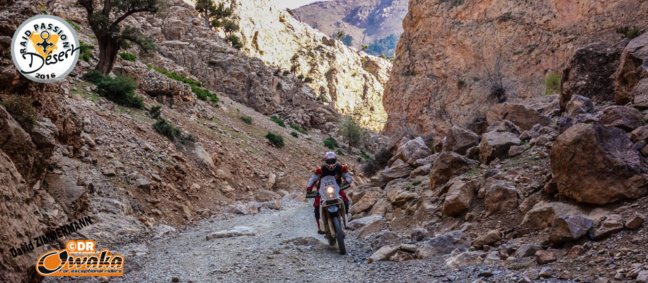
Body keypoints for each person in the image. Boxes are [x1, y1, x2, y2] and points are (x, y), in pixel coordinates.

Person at [306, 152, 351, 234]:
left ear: (336, 160)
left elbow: (347, 176)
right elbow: (312, 179)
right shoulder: (320, 170)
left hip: (337, 187)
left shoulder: (341, 168)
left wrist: (347, 182)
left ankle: (345, 220)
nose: (331, 163)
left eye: (332, 161)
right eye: (329, 161)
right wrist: (309, 189)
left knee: (345, 199)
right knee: (316, 204)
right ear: (325, 161)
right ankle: (319, 227)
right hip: (323, 189)